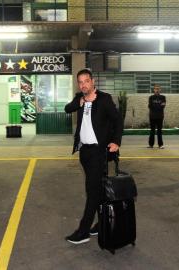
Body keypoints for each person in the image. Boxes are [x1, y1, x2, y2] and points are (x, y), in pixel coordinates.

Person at [64, 68, 123, 244]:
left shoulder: (104, 99)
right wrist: (81, 101)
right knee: (95, 190)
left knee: (92, 191)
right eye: (80, 82)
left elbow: (117, 120)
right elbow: (68, 108)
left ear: (93, 81)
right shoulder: (79, 97)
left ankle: (83, 231)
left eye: (86, 81)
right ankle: (102, 223)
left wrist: (116, 141)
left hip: (99, 152)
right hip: (85, 152)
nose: (83, 85)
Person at [148, 84, 166, 149]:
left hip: (160, 117)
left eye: (158, 89)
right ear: (154, 90)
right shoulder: (151, 97)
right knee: (152, 131)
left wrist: (155, 106)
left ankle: (160, 145)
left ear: (160, 90)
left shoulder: (163, 97)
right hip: (152, 117)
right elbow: (150, 106)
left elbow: (163, 106)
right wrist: (159, 105)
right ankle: (151, 145)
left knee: (159, 131)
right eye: (156, 89)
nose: (157, 90)